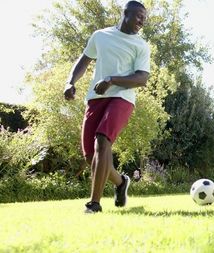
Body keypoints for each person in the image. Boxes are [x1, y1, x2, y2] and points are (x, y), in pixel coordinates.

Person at [63, 1, 150, 213]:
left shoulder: (141, 46)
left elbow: (141, 78)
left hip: (122, 98)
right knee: (90, 156)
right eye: (138, 16)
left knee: (102, 141)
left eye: (144, 19)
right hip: (96, 97)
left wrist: (111, 80)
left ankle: (94, 204)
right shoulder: (100, 36)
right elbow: (84, 60)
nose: (141, 21)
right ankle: (121, 182)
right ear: (125, 13)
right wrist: (70, 82)